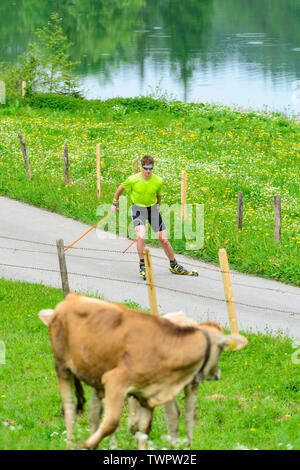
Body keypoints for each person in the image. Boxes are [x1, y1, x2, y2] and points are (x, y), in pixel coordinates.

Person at [111, 155, 196, 279]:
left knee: (164, 240)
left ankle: (174, 265)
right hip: (138, 209)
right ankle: (142, 265)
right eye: (145, 168)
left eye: (150, 168)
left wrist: (157, 206)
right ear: (141, 167)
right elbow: (120, 189)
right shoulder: (132, 179)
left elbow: (158, 195)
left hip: (152, 209)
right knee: (141, 236)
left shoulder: (158, 181)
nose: (148, 171)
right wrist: (115, 203)